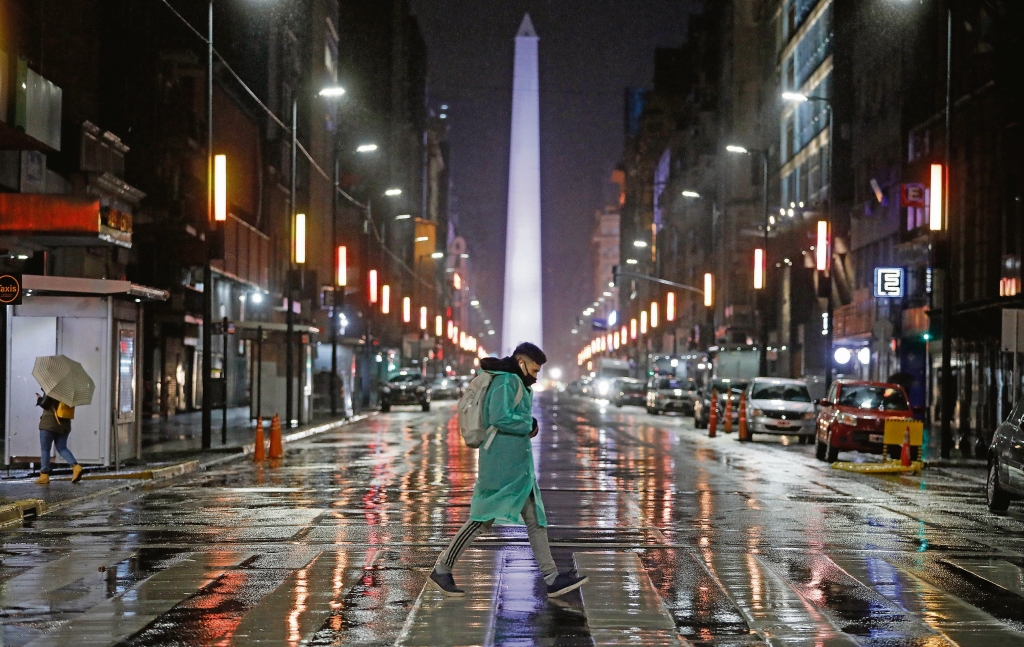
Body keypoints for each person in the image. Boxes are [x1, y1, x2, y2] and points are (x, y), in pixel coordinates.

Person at [429, 342, 588, 598]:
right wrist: (529, 423)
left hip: (516, 466)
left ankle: (552, 577)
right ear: (522, 362)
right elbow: (499, 416)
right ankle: (442, 568)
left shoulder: (517, 382)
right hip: (501, 465)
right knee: (482, 518)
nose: (535, 377)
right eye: (534, 370)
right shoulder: (506, 381)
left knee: (536, 521)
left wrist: (528, 426)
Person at [34, 393, 83, 485]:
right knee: (62, 448)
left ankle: (44, 475)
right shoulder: (70, 392)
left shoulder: (52, 389)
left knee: (45, 449)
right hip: (64, 424)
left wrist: (40, 399)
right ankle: (76, 467)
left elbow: (45, 404)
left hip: (49, 423)